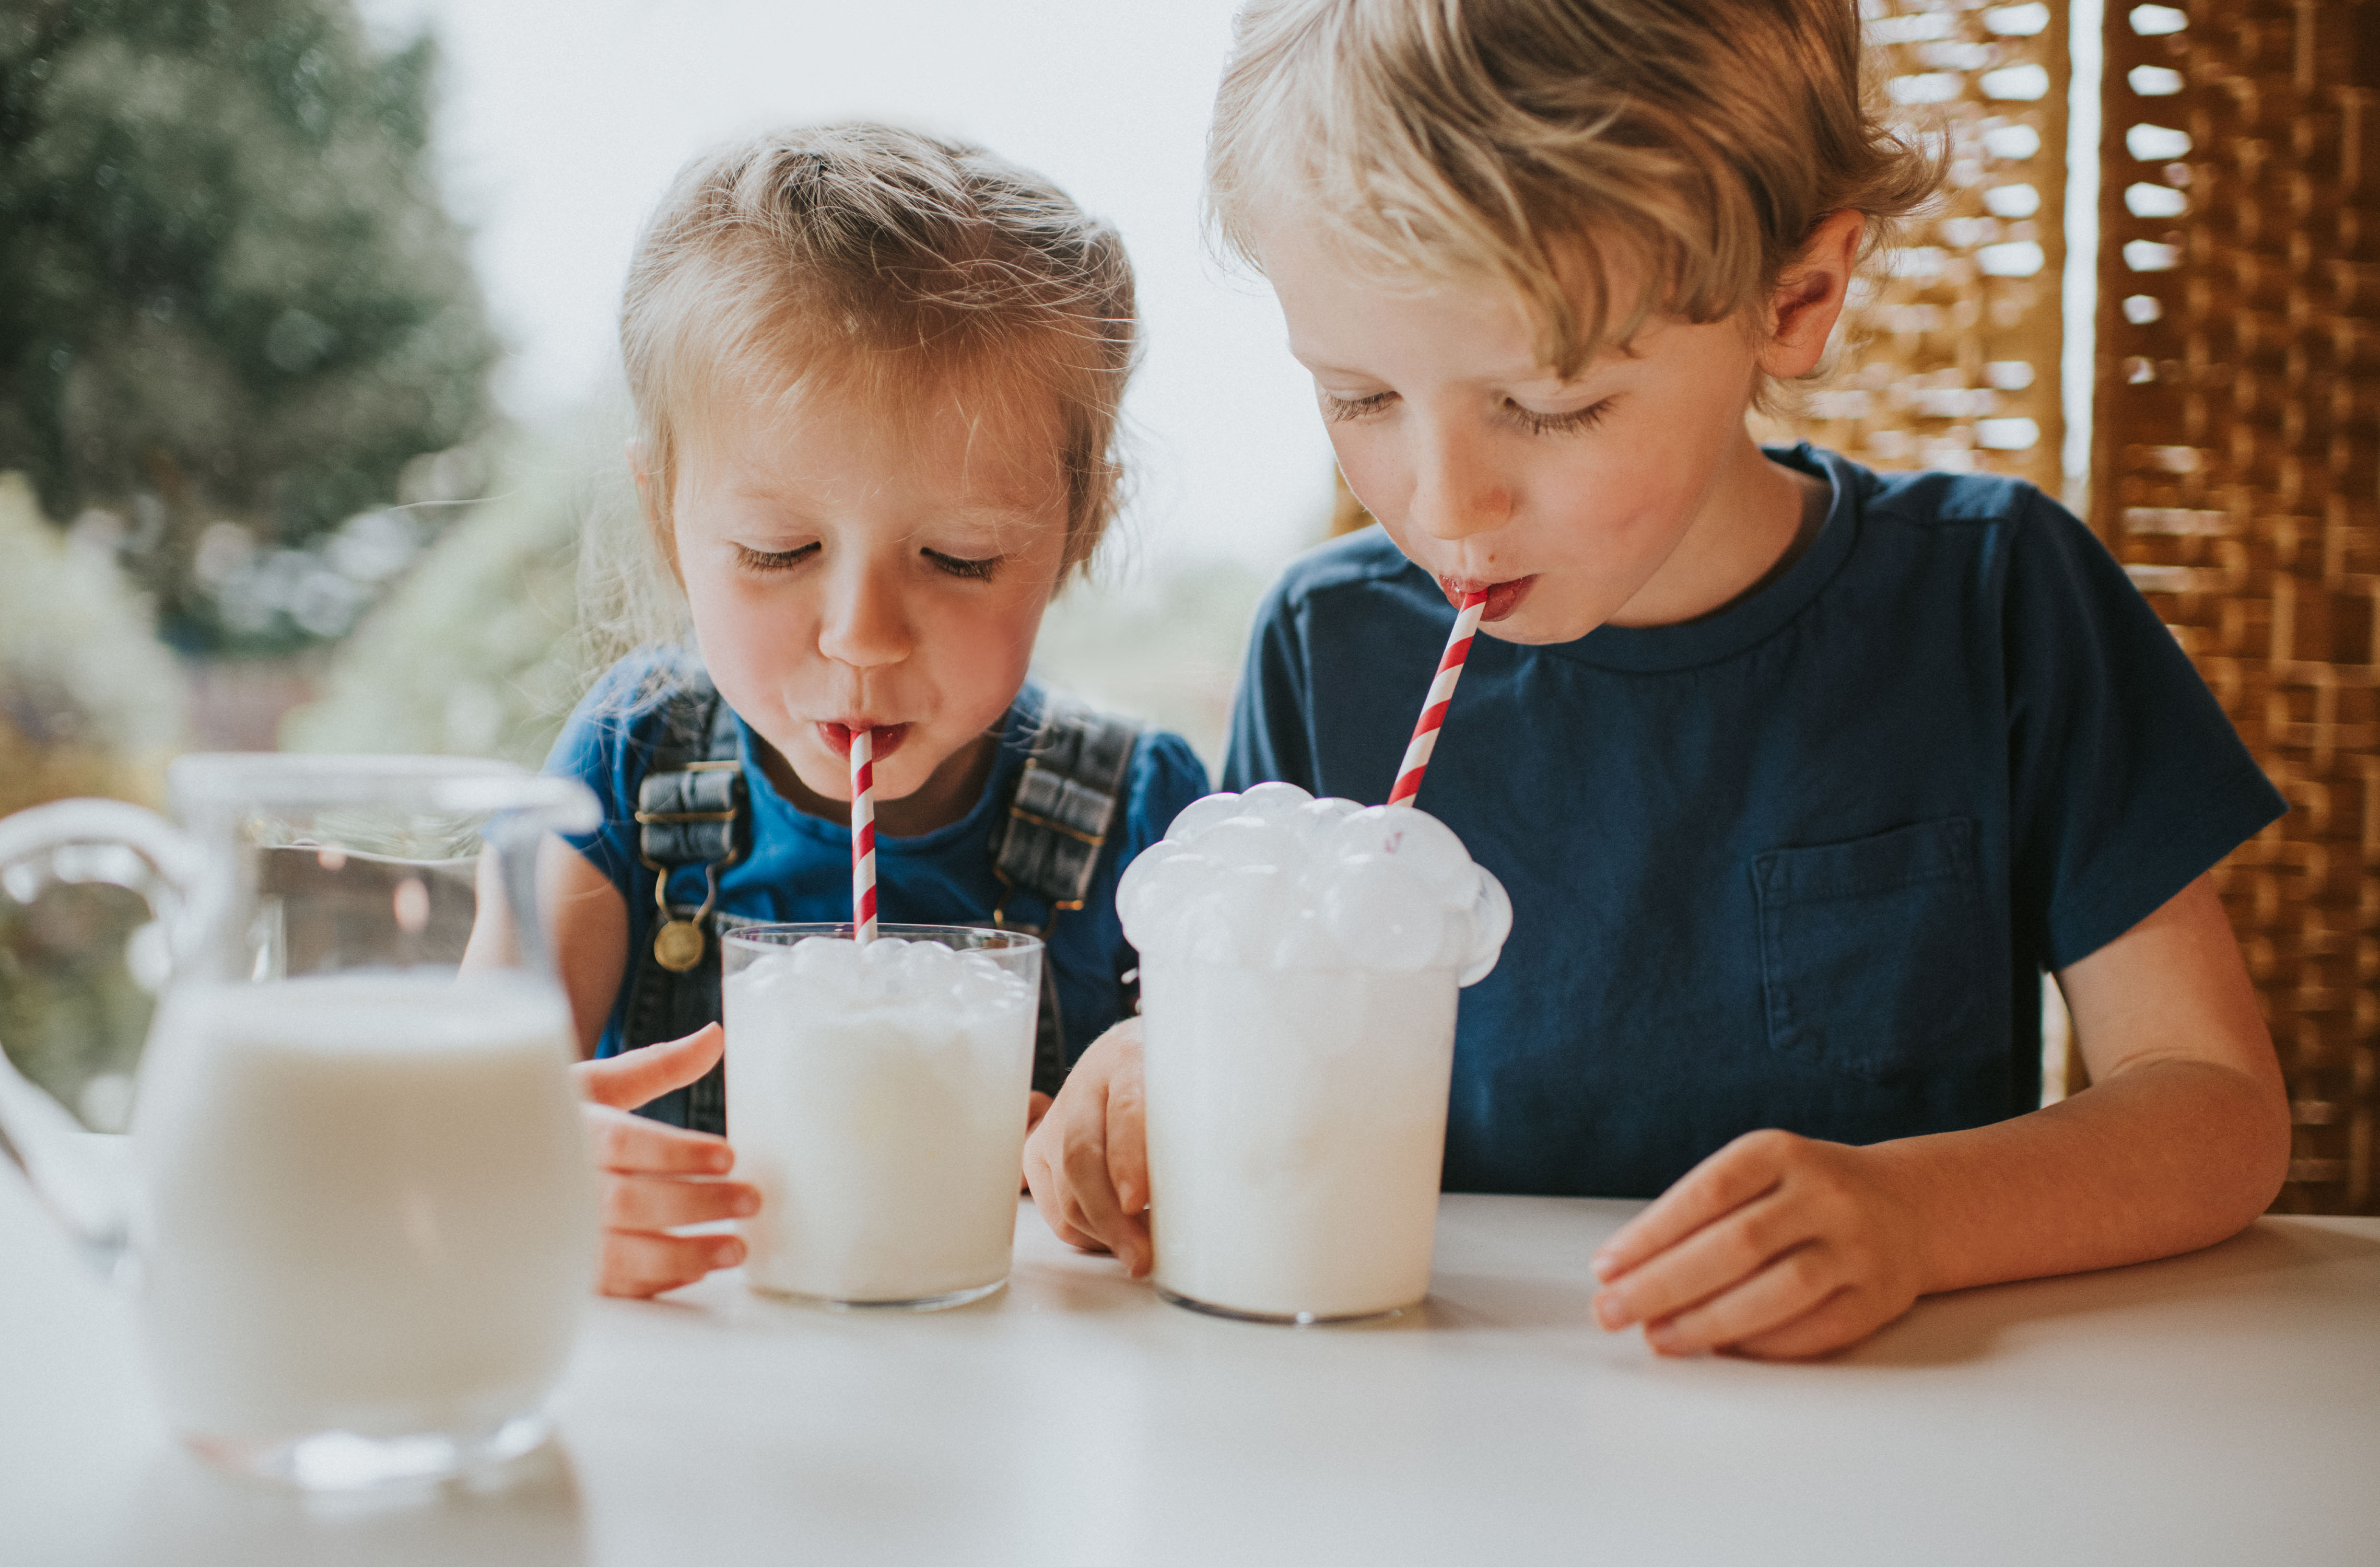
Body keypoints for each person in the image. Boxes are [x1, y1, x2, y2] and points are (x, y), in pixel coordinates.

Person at [1024, 0, 2292, 1359]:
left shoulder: (1992, 605)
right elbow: (1236, 1037)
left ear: (1793, 299)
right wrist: (1155, 1079)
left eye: (1550, 405)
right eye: (1359, 396)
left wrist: (1918, 1216)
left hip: (1879, 1435)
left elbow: (2212, 1106)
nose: (1444, 504)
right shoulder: (1328, 651)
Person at [468, 125, 1209, 1299]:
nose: (861, 634)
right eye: (779, 550)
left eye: (960, 559)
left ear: (1077, 529)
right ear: (667, 519)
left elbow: (1249, 1107)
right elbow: (468, 1102)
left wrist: (1158, 1079)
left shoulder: (1148, 812)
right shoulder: (621, 764)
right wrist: (519, 1173)